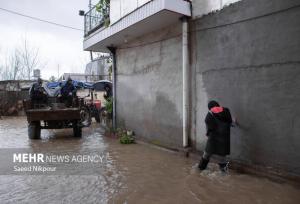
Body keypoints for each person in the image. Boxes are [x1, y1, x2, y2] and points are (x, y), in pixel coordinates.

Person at [198, 100, 233, 172]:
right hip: (224, 139)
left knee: (206, 155)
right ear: (218, 105)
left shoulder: (209, 115)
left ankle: (200, 170)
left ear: (210, 108)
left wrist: (207, 134)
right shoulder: (226, 111)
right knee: (223, 158)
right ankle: (224, 173)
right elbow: (230, 121)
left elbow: (210, 129)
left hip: (213, 139)